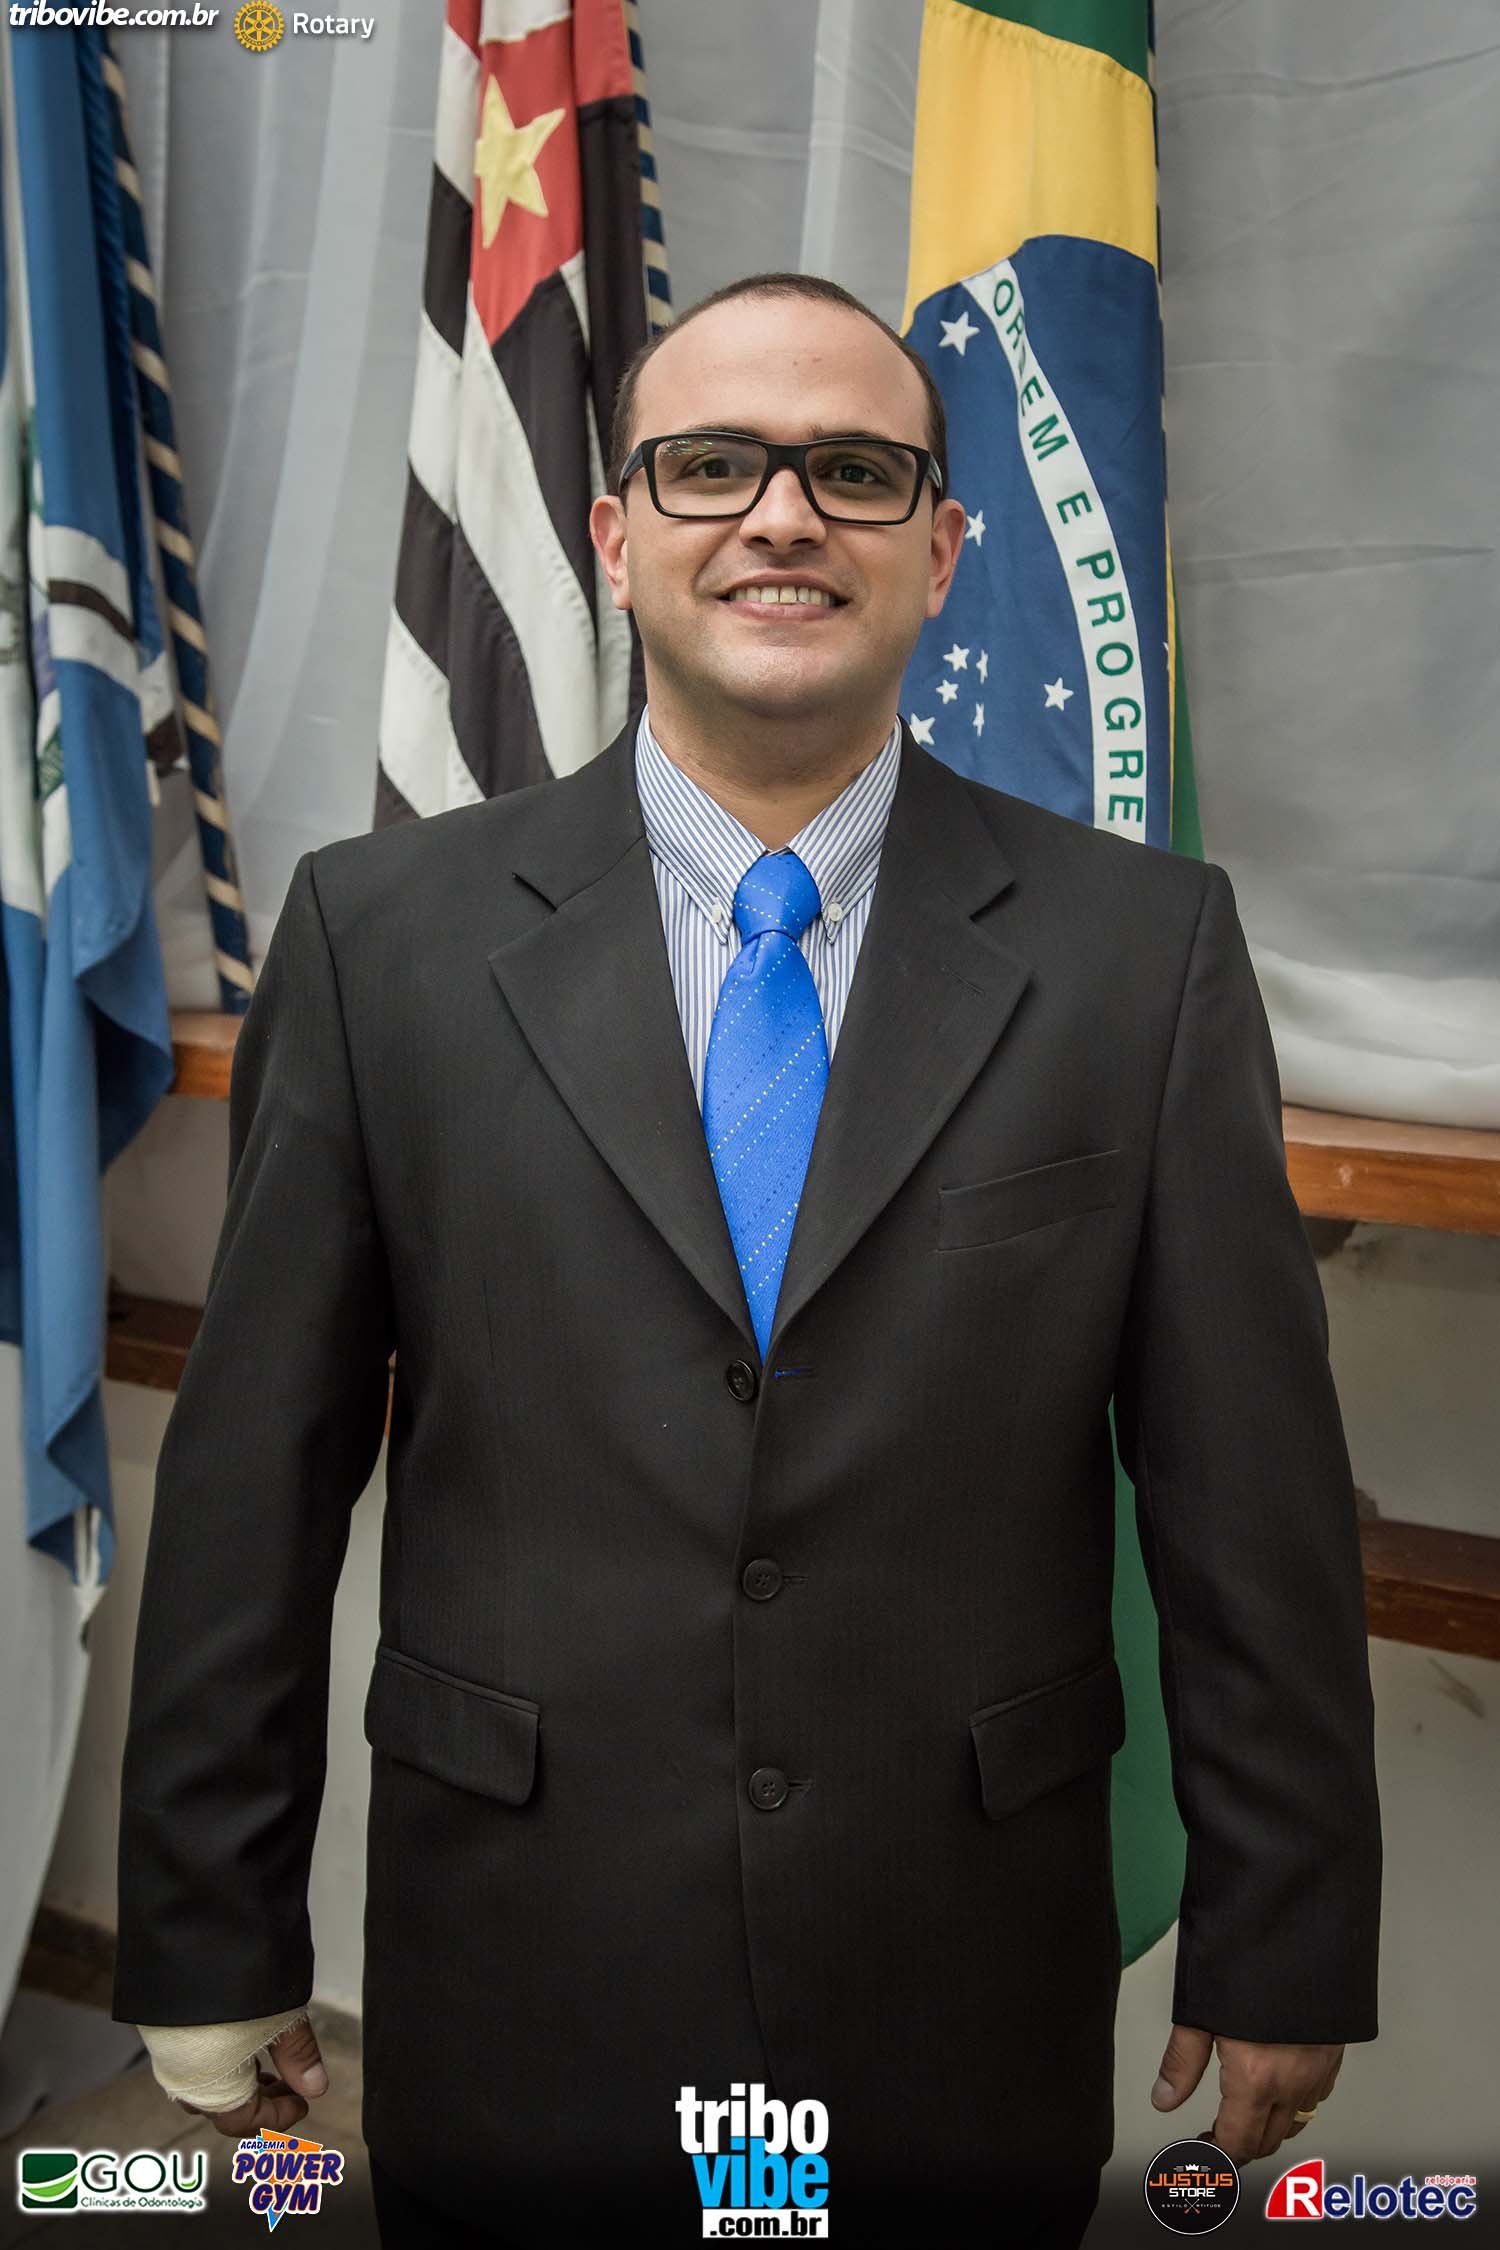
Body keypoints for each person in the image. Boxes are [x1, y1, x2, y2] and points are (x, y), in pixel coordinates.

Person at [112, 273, 1381, 2249]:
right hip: (520, 1966)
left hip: (959, 1981)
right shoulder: (380, 939)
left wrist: (1284, 1925)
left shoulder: (1143, 957)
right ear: (616, 536)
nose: (781, 515)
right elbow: (252, 1484)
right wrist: (208, 1925)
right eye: (711, 465)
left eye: (855, 472)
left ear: (941, 552)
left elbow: (1250, 1497)